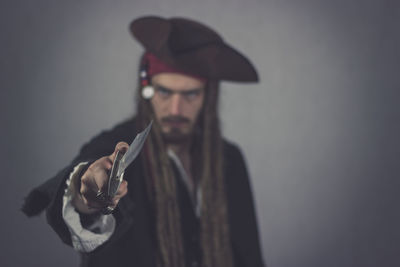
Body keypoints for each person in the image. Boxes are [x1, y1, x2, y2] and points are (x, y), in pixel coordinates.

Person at [22, 16, 265, 267]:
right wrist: (90, 194)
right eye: (164, 91)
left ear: (208, 96)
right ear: (146, 89)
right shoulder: (119, 150)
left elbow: (249, 254)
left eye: (190, 94)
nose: (175, 109)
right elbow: (79, 190)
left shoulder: (229, 159)